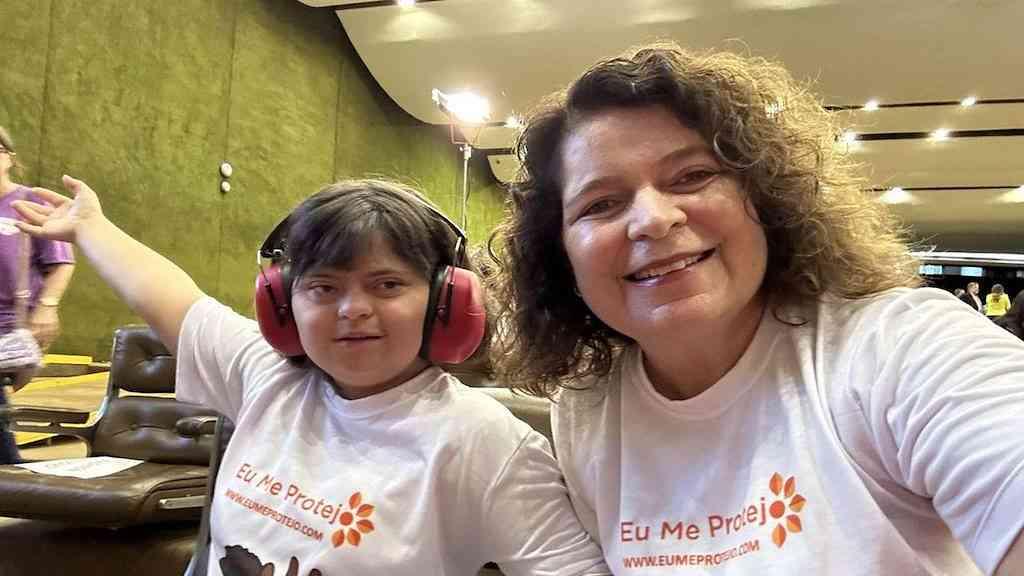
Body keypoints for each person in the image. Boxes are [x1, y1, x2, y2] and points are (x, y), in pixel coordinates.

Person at [490, 42, 1024, 575]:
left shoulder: (899, 349)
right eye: (601, 204)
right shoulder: (588, 406)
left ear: (764, 200)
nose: (653, 218)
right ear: (560, 255)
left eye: (692, 176)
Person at [14, 176, 609, 576]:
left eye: (387, 284)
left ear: (446, 302)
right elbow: (165, 293)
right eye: (322, 288)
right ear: (282, 305)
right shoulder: (263, 374)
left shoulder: (489, 445)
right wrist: (90, 227)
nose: (352, 309)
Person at [0, 125, 75, 464]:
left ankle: (11, 472)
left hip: (10, 328)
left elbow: (61, 262)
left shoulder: (30, 201)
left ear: (9, 158)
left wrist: (47, 307)